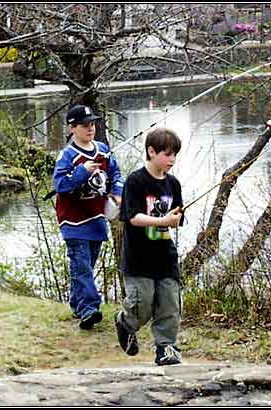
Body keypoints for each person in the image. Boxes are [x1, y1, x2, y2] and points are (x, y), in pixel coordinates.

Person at [115, 127, 185, 366]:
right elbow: (132, 217)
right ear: (151, 151)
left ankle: (166, 348)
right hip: (138, 259)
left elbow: (176, 219)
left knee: (169, 304)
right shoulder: (135, 181)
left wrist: (173, 220)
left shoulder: (173, 184)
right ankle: (126, 323)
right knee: (142, 304)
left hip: (166, 257)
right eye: (167, 154)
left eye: (175, 154)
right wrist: (163, 220)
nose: (172, 160)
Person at [53, 104, 124, 330]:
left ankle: (77, 303)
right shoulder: (66, 156)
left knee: (85, 267)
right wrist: (83, 171)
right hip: (73, 221)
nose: (90, 128)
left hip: (96, 219)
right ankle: (89, 309)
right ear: (72, 128)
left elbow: (116, 174)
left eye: (92, 124)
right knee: (81, 265)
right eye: (84, 125)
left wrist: (117, 193)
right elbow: (61, 185)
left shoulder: (102, 150)